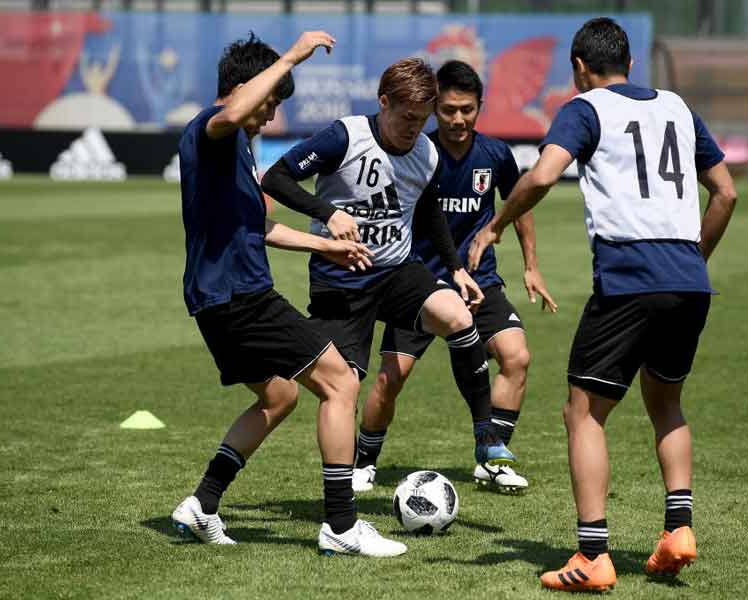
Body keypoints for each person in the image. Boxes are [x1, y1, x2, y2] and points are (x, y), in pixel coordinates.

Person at [468, 17, 737, 592]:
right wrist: (695, 260)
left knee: (582, 412)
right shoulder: (678, 107)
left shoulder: (585, 107)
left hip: (629, 278)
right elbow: (727, 191)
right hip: (687, 279)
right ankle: (678, 529)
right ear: (632, 64)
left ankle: (593, 555)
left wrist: (494, 226)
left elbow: (542, 176)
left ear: (579, 69)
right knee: (666, 401)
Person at [171, 31, 407, 558]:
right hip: (240, 297)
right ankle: (342, 527)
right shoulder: (211, 131)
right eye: (271, 102)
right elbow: (231, 115)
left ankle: (202, 503)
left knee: (280, 395)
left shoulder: (236, 148)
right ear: (242, 88)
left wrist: (324, 247)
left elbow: (261, 229)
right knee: (342, 383)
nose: (271, 117)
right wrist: (294, 55)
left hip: (219, 300)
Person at [262, 57, 515, 473]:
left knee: (457, 316)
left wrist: (455, 269)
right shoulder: (345, 136)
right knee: (342, 387)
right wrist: (329, 214)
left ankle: (486, 433)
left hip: (398, 272)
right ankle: (352, 477)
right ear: (383, 103)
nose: (414, 127)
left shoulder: (426, 153)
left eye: (421, 118)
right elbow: (277, 178)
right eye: (406, 117)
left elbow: (431, 212)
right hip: (340, 280)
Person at [351, 60, 557, 494]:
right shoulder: (416, 153)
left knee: (516, 357)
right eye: (447, 110)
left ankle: (492, 456)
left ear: (479, 106)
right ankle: (363, 462)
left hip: (481, 284)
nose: (457, 119)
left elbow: (518, 208)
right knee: (391, 379)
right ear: (432, 108)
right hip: (421, 285)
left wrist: (531, 265)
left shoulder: (496, 154)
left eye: (466, 109)